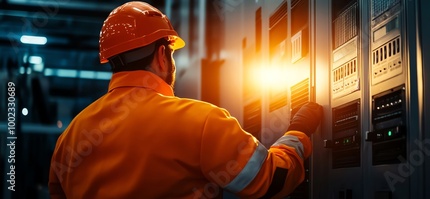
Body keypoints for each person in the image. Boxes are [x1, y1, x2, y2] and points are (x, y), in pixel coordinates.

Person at [48, 1, 323, 198]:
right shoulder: (201, 121)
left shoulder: (70, 139)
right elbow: (272, 181)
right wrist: (298, 133)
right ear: (161, 55)